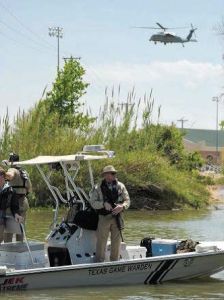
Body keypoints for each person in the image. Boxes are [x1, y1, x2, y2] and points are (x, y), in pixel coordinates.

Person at [89, 165, 130, 262]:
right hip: (104, 217)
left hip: (118, 217)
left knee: (116, 242)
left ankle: (114, 262)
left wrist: (122, 206)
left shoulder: (121, 186)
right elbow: (93, 202)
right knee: (101, 242)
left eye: (111, 174)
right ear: (103, 175)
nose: (108, 176)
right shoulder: (97, 187)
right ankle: (99, 262)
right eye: (106, 174)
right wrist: (103, 204)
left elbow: (127, 200)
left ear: (114, 174)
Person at [4, 153, 32, 242]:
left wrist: (3, 172)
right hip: (23, 202)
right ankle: (20, 249)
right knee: (20, 228)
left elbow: (10, 175)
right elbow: (29, 189)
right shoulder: (24, 172)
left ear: (11, 161)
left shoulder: (12, 169)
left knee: (8, 230)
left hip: (12, 204)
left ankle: (7, 251)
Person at [0, 167, 23, 243]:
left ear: (3, 177)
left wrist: (17, 214)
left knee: (0, 238)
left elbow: (15, 206)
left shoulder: (11, 190)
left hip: (1, 219)